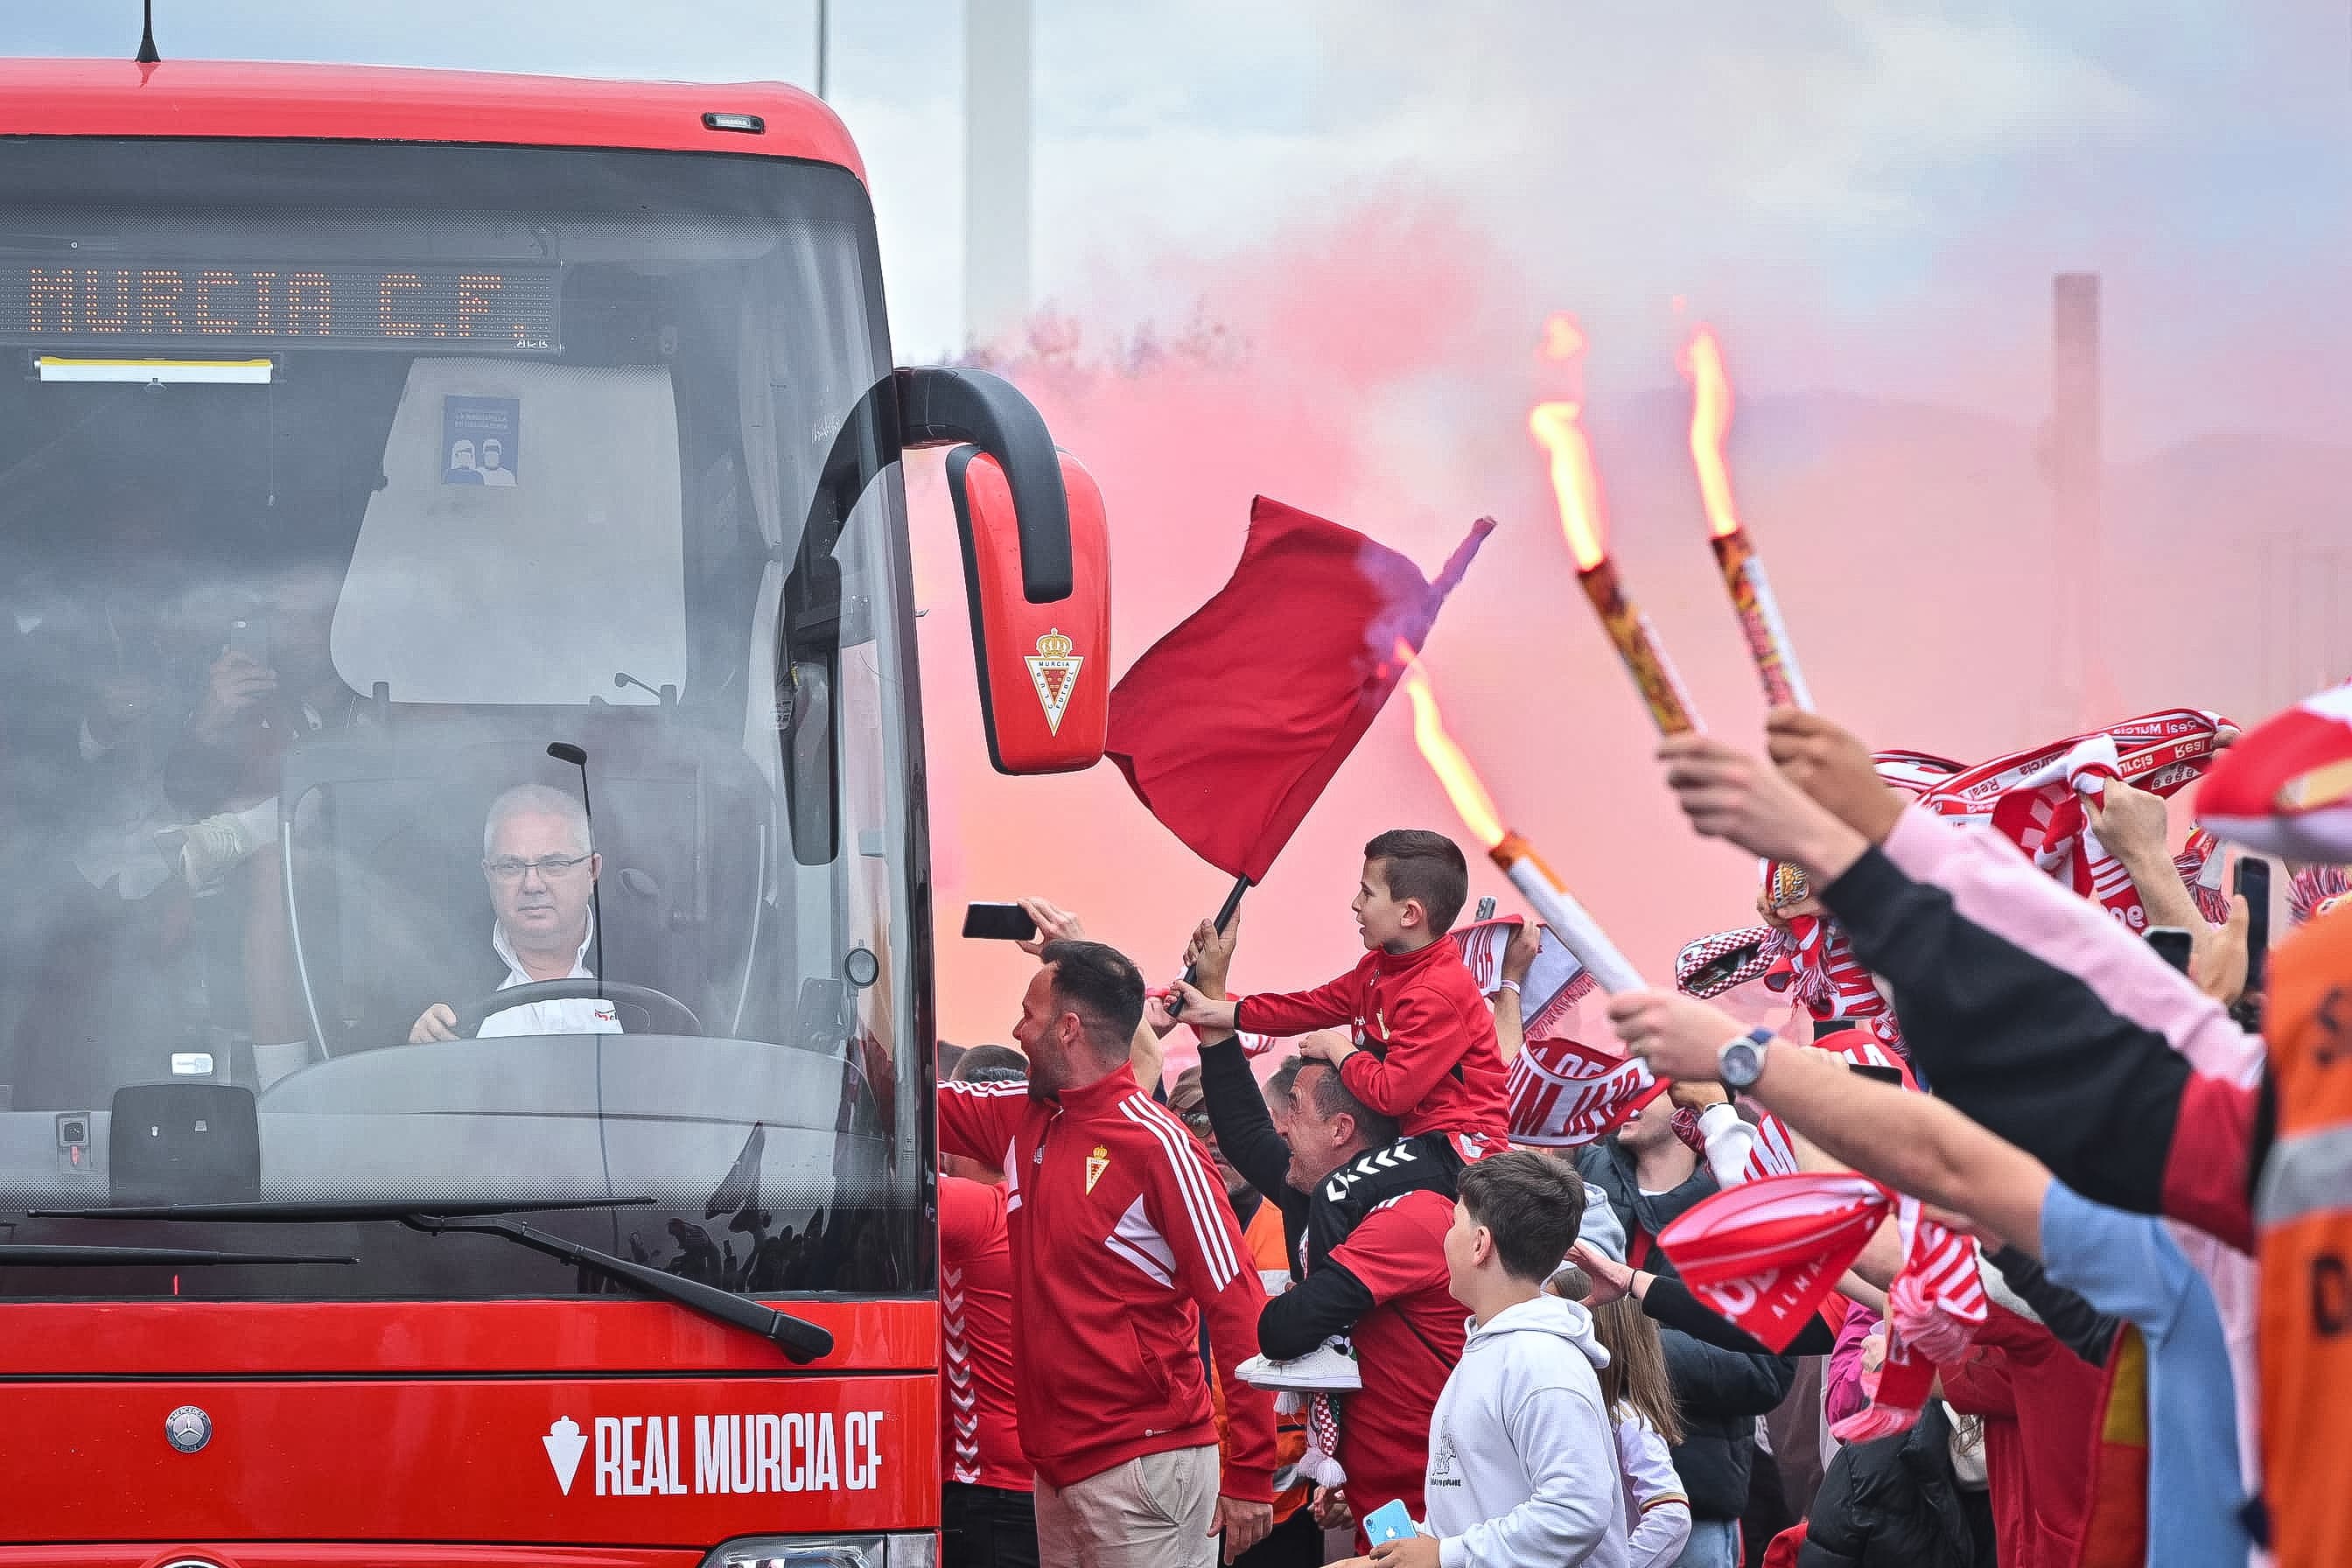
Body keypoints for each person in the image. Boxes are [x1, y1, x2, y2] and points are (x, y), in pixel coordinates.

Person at [1609, 984, 2250, 1565]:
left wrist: (1794, 1100)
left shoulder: (2082, 1279)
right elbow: (1874, 1278)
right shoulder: (2120, 1273)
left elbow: (1876, 1258)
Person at [938, 937, 1276, 1568]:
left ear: (1068, 1030)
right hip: (1058, 1469)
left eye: (1028, 1016)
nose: (1016, 1030)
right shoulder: (1025, 1115)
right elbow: (912, 1106)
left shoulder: (1160, 1149)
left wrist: (1252, 1472)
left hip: (1146, 1466)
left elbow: (1240, 1310)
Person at [1173, 831, 1509, 1268]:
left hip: (1460, 1148)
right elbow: (1307, 1006)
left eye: (1367, 893)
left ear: (1409, 913)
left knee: (1336, 1192)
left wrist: (1338, 1048)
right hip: (1414, 1138)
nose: (1355, 904)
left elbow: (1392, 1094)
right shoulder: (1379, 967)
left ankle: (1327, 1311)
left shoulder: (1438, 990)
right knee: (1323, 1190)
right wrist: (1216, 1010)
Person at [1356, 1149, 1628, 1567]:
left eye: (1454, 1222)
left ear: (1481, 1244)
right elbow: (1472, 1505)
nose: (1445, 1237)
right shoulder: (1494, 1347)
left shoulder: (1541, 1362)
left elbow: (1577, 1512)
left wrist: (1447, 1556)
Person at [1575, 1096, 1796, 1568]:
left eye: (1645, 1081)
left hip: (1693, 1494)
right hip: (1580, 1496)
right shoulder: (1583, 1186)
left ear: (1688, 1100)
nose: (1622, 1094)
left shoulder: (1735, 1200)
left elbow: (1765, 1367)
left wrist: (1625, 1348)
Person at [1169, 1068, 1320, 1568]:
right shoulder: (1149, 1228)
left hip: (1285, 1499)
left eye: (1222, 1126)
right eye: (1194, 1122)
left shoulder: (1302, 1225)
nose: (1213, 1142)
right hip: (1180, 1489)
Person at [410, 783, 616, 1040]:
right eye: (511, 866)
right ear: (488, 874)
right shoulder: (431, 976)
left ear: (592, 871)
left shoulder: (652, 969)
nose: (532, 885)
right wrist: (412, 1047)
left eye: (553, 864)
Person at [942, 1045, 1038, 1568]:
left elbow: (852, 1185)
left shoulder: (975, 1211)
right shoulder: (1048, 1203)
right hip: (1053, 1478)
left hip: (986, 1487)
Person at [1550, 1265, 1696, 1568]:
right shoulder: (1570, 1409)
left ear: (1598, 1333)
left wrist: (1620, 1563)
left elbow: (1671, 1515)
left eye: (1559, 1324)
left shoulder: (1624, 1419)